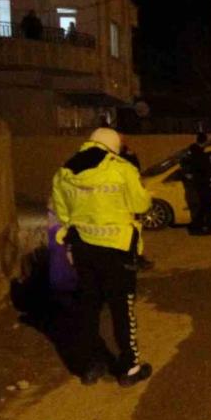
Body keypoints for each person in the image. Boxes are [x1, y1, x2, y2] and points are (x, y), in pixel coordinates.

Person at [50, 128, 153, 387]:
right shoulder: (121, 168)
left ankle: (90, 366)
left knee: (89, 307)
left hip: (83, 248)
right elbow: (141, 205)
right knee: (122, 308)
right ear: (113, 145)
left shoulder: (65, 170)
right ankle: (130, 368)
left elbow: (63, 213)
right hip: (117, 248)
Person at [119, 144, 154, 271]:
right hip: (127, 206)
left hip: (124, 204)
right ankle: (134, 259)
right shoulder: (127, 167)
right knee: (132, 234)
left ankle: (134, 257)